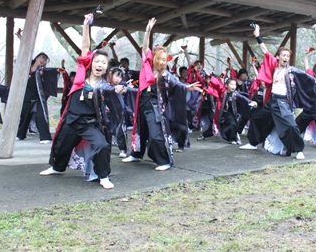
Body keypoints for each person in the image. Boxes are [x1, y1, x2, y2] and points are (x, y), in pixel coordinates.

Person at [40, 13, 126, 190]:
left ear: (106, 68)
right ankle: (57, 168)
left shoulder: (103, 84)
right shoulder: (81, 72)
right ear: (91, 63)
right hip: (71, 118)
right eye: (97, 61)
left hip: (89, 123)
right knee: (62, 145)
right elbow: (85, 46)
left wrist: (117, 89)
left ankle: (103, 176)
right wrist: (86, 25)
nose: (100, 64)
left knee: (102, 145)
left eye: (104, 62)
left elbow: (110, 89)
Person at [240, 24, 316, 160]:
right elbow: (265, 50)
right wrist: (257, 35)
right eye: (284, 55)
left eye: (288, 55)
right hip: (272, 101)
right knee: (257, 118)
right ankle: (253, 142)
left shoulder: (291, 70)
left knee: (291, 126)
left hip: (282, 102)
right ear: (278, 57)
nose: (286, 57)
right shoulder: (274, 67)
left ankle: (299, 150)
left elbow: (307, 78)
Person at [122, 18, 200, 171]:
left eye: (165, 60)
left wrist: (187, 87)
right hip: (142, 102)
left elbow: (176, 84)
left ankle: (163, 161)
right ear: (154, 58)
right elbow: (145, 48)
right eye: (161, 59)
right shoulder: (147, 66)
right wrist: (148, 31)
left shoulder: (165, 74)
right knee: (140, 130)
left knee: (155, 133)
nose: (163, 62)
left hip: (154, 106)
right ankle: (137, 154)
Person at [16, 52, 58, 144]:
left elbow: (52, 74)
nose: (43, 60)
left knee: (40, 116)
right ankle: (20, 135)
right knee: (24, 117)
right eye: (42, 57)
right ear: (36, 58)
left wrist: (59, 70)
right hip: (27, 97)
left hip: (38, 98)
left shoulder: (42, 71)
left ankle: (45, 137)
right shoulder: (26, 68)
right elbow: (24, 56)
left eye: (45, 59)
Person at [205, 77, 257, 144]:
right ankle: (204, 135)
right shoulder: (223, 92)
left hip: (230, 113)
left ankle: (232, 139)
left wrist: (250, 102)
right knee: (214, 126)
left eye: (234, 85)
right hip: (221, 113)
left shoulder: (235, 94)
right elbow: (217, 84)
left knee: (233, 124)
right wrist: (211, 76)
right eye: (231, 84)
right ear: (226, 85)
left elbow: (243, 98)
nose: (233, 86)